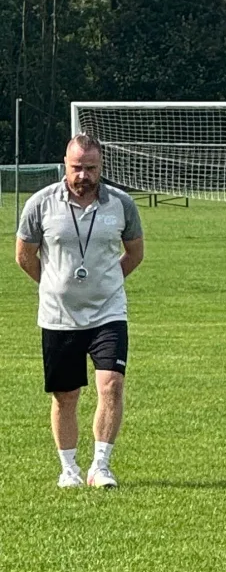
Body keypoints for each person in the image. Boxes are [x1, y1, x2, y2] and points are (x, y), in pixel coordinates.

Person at [15, 135, 144, 490]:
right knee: (66, 395)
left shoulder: (120, 204)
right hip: (59, 316)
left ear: (101, 167)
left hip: (108, 313)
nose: (83, 175)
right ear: (65, 164)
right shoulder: (41, 204)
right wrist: (54, 285)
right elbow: (24, 255)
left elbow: (134, 253)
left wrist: (106, 284)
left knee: (112, 385)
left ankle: (100, 466)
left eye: (91, 168)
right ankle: (69, 469)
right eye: (76, 168)